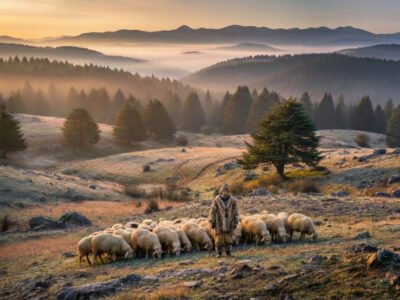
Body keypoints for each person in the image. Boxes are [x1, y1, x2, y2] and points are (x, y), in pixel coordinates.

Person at [208, 183, 239, 258]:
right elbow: (212, 211)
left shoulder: (233, 201)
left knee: (229, 240)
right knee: (219, 240)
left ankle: (228, 253)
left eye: (226, 191)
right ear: (221, 192)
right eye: (224, 191)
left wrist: (235, 221)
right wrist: (212, 221)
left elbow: (235, 212)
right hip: (219, 223)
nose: (225, 192)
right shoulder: (216, 200)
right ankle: (218, 253)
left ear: (228, 192)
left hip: (229, 222)